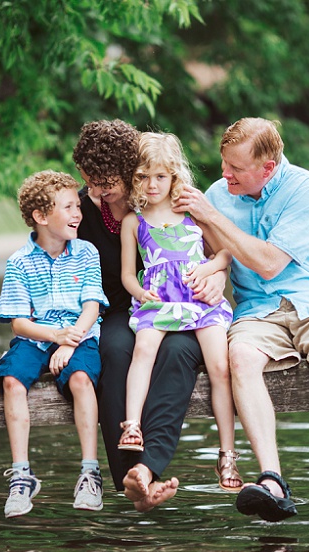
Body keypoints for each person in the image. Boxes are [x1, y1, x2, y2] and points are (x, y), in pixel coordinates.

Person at [175, 117, 309, 525]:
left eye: (236, 168)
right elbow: (217, 255)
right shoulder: (218, 194)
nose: (225, 174)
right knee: (241, 358)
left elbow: (268, 263)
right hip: (256, 311)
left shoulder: (305, 189)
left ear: (267, 167)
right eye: (223, 164)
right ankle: (272, 481)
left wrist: (213, 216)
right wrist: (213, 275)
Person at [72, 120, 232, 511]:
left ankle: (149, 468)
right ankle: (131, 478)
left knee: (177, 354)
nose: (98, 192)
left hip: (182, 304)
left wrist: (217, 276)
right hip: (114, 306)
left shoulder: (171, 202)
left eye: (107, 182)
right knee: (114, 351)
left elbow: (212, 250)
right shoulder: (84, 208)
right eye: (91, 182)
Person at [117, 132, 241, 493]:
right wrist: (141, 292)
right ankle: (133, 426)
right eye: (142, 176)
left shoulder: (190, 210)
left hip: (200, 299)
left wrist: (209, 270)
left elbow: (223, 253)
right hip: (159, 300)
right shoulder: (133, 221)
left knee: (220, 365)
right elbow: (128, 273)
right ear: (133, 178)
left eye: (160, 176)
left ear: (174, 175)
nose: (151, 184)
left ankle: (228, 454)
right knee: (143, 350)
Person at [0, 170, 109, 518]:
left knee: (82, 379)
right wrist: (54, 337)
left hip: (79, 335)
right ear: (41, 217)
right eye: (68, 207)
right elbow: (18, 322)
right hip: (37, 338)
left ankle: (89, 472)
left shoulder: (86, 253)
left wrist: (70, 342)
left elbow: (91, 307)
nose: (78, 213)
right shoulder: (19, 262)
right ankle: (22, 476)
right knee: (12, 380)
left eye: (77, 206)